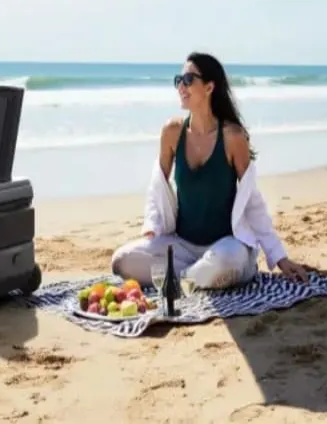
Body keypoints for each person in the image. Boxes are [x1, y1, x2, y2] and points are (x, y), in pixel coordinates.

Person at [110, 52, 309, 290]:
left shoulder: (233, 137)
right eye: (178, 80)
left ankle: (184, 280)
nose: (180, 87)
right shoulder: (172, 132)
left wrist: (279, 256)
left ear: (209, 87)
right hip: (182, 246)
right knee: (122, 262)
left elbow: (252, 200)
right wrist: (152, 225)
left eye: (188, 80)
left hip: (227, 246)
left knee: (227, 259)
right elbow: (158, 186)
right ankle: (193, 278)